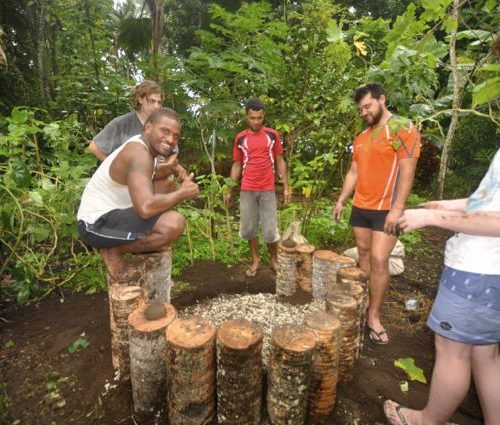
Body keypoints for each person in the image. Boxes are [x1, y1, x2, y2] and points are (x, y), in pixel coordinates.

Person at [384, 148, 500, 425]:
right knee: (485, 356)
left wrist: (431, 219)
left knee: (451, 350)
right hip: (489, 274)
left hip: (479, 272)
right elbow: (488, 200)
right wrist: (446, 205)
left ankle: (427, 420)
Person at [333, 83, 421, 344]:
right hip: (361, 206)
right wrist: (341, 200)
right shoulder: (361, 138)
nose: (364, 112)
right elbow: (354, 172)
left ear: (382, 99)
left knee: (380, 259)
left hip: (386, 209)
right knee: (363, 254)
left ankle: (373, 315)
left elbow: (407, 171)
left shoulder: (402, 128)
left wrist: (398, 209)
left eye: (368, 106)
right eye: (360, 109)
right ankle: (364, 302)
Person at [77, 108, 199, 278]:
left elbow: (152, 173)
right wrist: (183, 193)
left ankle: (142, 241)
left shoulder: (144, 147)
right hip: (94, 225)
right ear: (148, 127)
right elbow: (145, 208)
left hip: (114, 213)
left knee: (166, 183)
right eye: (165, 131)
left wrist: (173, 168)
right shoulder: (139, 154)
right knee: (173, 224)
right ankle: (114, 251)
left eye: (175, 135)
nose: (171, 139)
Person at [223, 97, 291, 277]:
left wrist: (285, 186)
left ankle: (274, 259)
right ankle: (255, 260)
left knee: (270, 229)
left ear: (263, 116)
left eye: (259, 118)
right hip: (247, 189)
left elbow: (279, 160)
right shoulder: (240, 138)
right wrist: (229, 189)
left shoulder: (272, 135)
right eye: (252, 118)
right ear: (247, 116)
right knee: (249, 228)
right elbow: (237, 165)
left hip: (267, 188)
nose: (256, 121)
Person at [88, 80, 186, 181]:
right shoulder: (122, 123)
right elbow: (94, 147)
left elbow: (173, 151)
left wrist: (166, 166)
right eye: (152, 101)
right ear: (140, 99)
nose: (156, 106)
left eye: (159, 102)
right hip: (124, 183)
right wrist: (115, 169)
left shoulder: (161, 124)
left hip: (153, 180)